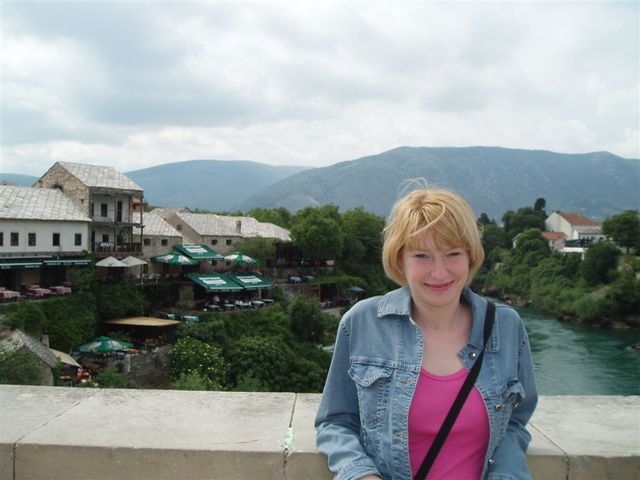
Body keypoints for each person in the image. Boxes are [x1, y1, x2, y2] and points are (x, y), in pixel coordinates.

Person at [315, 187, 537, 480]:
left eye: (453, 254)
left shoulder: (505, 327)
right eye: (422, 255)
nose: (439, 272)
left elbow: (515, 422)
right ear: (400, 260)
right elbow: (335, 422)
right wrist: (361, 474)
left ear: (470, 257)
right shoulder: (362, 323)